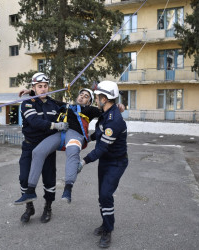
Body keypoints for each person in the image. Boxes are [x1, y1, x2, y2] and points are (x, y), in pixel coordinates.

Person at [14, 88, 125, 205]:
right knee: (38, 151)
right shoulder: (67, 106)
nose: (82, 97)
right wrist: (32, 93)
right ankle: (31, 190)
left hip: (75, 134)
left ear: (89, 102)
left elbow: (105, 109)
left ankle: (68, 188)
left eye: (86, 96)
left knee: (72, 150)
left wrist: (117, 106)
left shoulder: (91, 110)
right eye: (81, 94)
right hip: (60, 133)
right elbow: (49, 99)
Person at [79, 81, 128, 249]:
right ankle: (105, 223)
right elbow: (98, 133)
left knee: (106, 195)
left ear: (105, 98)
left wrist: (83, 161)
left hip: (116, 162)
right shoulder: (105, 113)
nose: (96, 99)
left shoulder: (114, 121)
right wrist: (86, 138)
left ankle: (108, 230)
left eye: (98, 97)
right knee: (102, 196)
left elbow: (101, 149)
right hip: (106, 161)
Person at [15, 72, 68, 223]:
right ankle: (29, 207)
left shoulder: (53, 104)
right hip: (29, 147)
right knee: (24, 178)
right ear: (34, 88)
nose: (43, 89)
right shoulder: (27, 103)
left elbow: (72, 108)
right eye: (39, 87)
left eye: (45, 86)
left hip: (47, 149)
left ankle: (48, 207)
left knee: (49, 180)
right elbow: (35, 121)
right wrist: (55, 125)